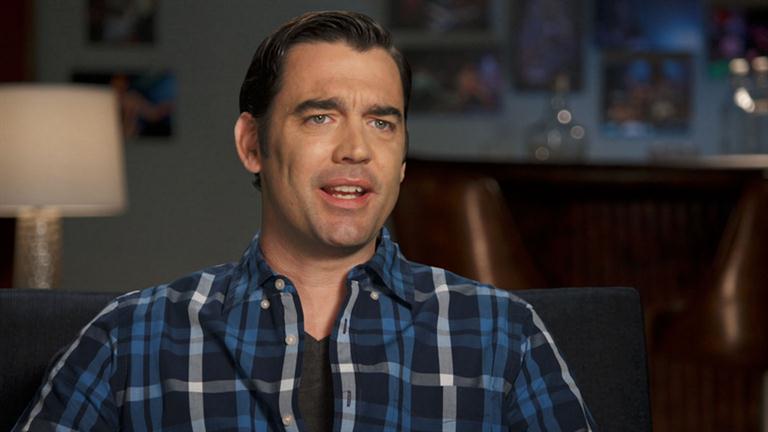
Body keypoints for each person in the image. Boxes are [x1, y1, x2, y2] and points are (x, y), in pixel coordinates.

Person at [14, 11, 596, 431]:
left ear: (401, 157)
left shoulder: (502, 335)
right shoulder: (132, 339)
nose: (357, 149)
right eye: (320, 117)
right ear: (252, 144)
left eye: (382, 123)